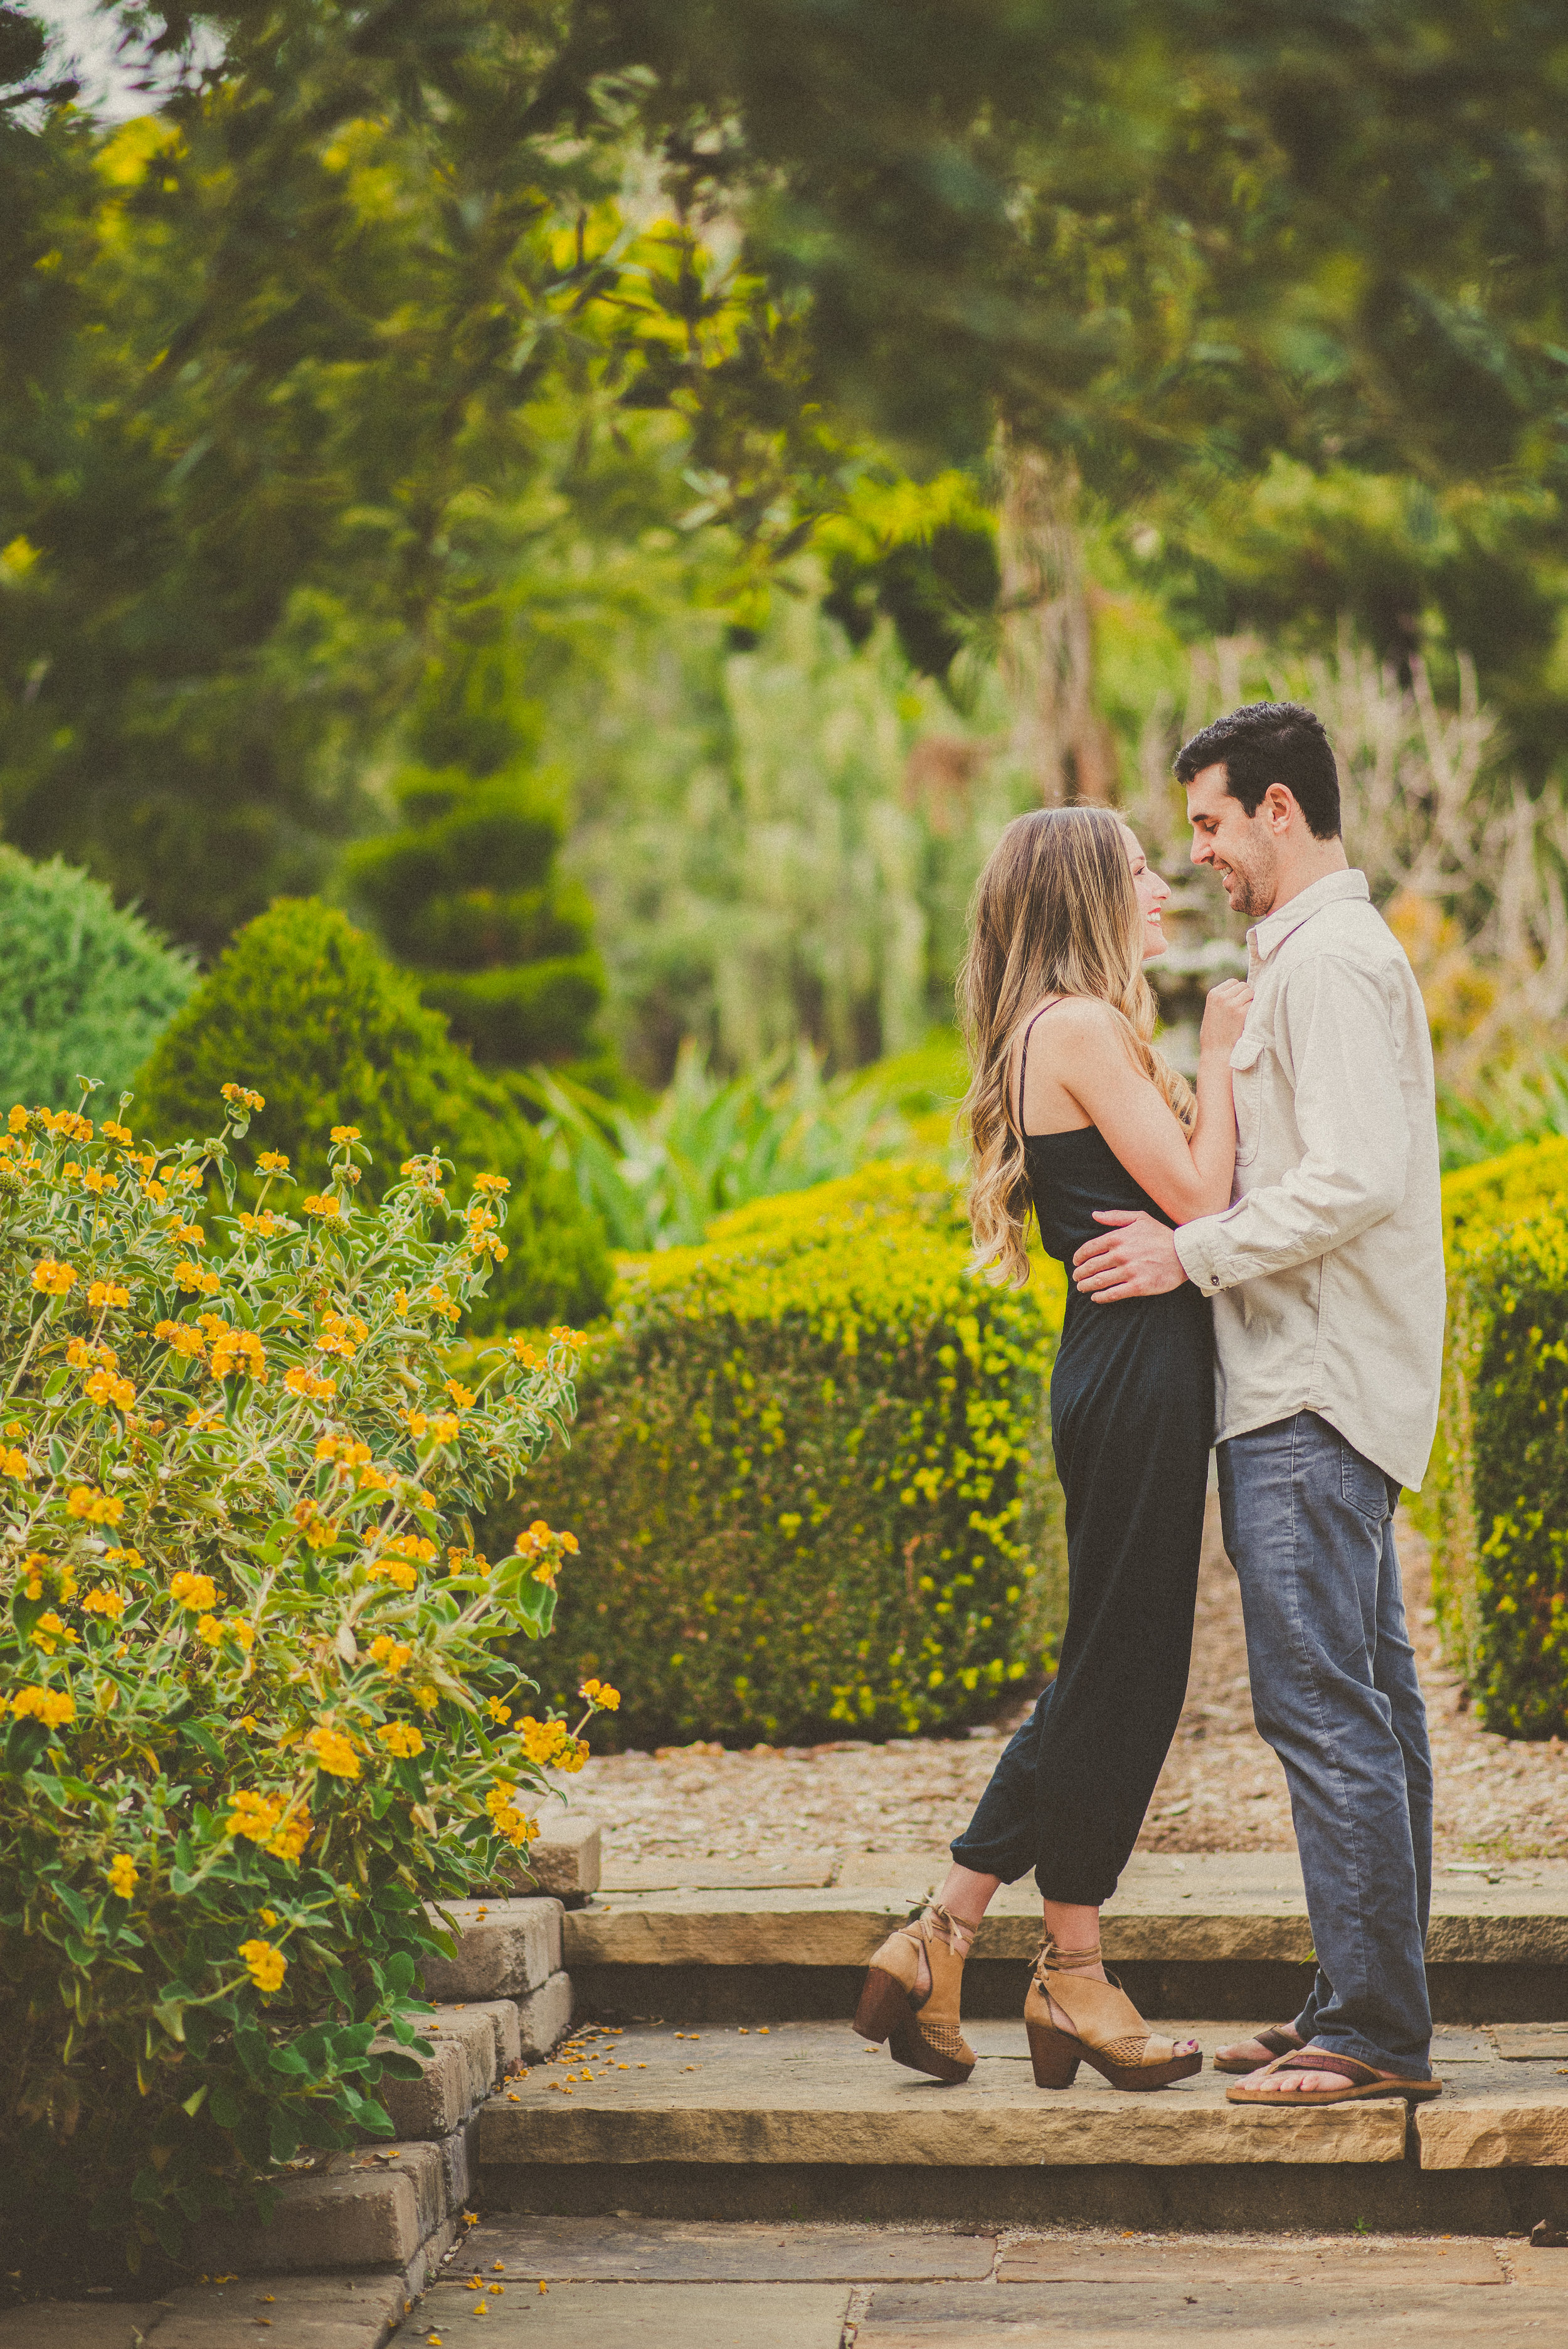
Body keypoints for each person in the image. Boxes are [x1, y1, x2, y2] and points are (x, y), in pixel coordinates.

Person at [1071, 701, 1446, 2108]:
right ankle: (1363, 1999)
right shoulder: (1306, 957)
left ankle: (1373, 2031)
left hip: (1307, 1386)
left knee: (1323, 1710)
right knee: (1371, 1705)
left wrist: (1191, 1250)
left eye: (1213, 824)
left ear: (1278, 809)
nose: (1204, 854)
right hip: (1318, 1380)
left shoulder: (1330, 962)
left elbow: (1350, 1178)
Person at [853, 804, 1251, 2092]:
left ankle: (1067, 1967)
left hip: (1119, 1364)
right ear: (1086, 889)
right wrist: (1225, 1048)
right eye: (1136, 865)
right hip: (1134, 1370)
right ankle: (947, 1930)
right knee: (1117, 1672)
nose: (1157, 881)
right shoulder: (1078, 1027)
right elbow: (1199, 1199)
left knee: (1119, 1666)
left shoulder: (1060, 1028)